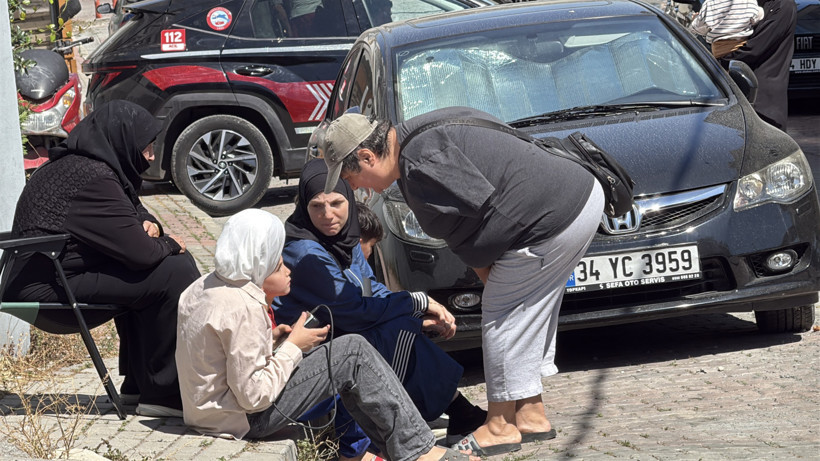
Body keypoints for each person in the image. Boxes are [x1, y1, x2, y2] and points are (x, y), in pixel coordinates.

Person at [316, 106, 605, 457]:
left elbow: (481, 210)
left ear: (367, 156)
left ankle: (499, 426)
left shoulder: (419, 159)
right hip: (574, 201)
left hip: (551, 217)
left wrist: (492, 283)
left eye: (350, 177)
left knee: (502, 318)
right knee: (525, 313)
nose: (354, 188)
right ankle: (531, 414)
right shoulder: (413, 140)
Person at [175, 209, 477, 461]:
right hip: (245, 420)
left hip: (209, 413)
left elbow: (221, 358)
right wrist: (294, 347)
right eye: (278, 263)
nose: (287, 268)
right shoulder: (243, 306)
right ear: (258, 261)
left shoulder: (203, 286)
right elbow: (254, 397)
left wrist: (274, 340)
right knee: (352, 351)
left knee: (353, 354)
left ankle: (400, 449)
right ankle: (417, 450)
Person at [4, 100, 201, 417]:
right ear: (121, 140)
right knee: (174, 271)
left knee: (160, 268)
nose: (151, 157)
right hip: (46, 290)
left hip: (55, 278)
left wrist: (152, 226)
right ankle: (164, 393)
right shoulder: (91, 178)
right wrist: (169, 243)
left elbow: (134, 213)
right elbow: (142, 252)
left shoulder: (89, 168)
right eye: (146, 147)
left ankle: (141, 386)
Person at [274, 159, 487, 444]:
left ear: (350, 199)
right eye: (316, 206)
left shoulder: (345, 237)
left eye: (336, 203)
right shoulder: (306, 252)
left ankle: (449, 413)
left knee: (402, 327)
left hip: (342, 329)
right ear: (304, 205)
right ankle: (429, 424)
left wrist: (415, 310)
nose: (328, 215)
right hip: (308, 348)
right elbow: (353, 311)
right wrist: (415, 303)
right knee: (392, 334)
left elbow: (370, 288)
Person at [722, 0, 797, 131]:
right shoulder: (754, 3)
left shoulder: (783, 5)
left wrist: (720, 58)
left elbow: (755, 48)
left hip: (765, 102)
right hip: (745, 95)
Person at [688, 0, 764, 58]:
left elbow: (697, 28)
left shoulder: (710, 3)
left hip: (719, 52)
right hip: (744, 49)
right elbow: (758, 17)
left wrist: (694, 19)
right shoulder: (749, 1)